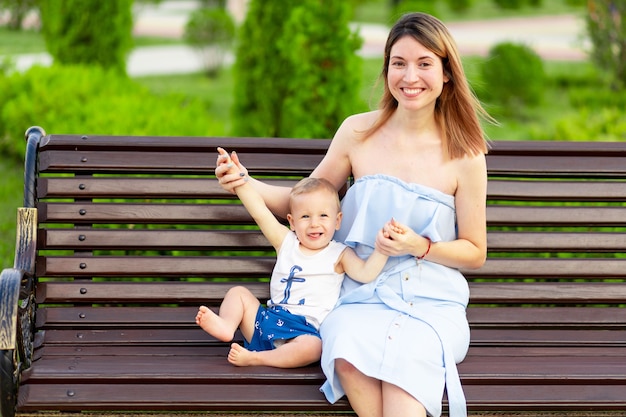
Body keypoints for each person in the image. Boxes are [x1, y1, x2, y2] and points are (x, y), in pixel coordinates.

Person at [214, 12, 493, 417]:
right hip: (357, 296)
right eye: (398, 63)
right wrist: (244, 181)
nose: (409, 76)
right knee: (346, 355)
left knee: (402, 389)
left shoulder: (466, 154)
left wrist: (419, 245)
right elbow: (303, 201)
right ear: (386, 70)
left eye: (424, 63)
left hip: (430, 301)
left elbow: (475, 251)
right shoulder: (357, 133)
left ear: (447, 72)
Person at [196, 147, 389, 368]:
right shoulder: (286, 243)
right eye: (305, 216)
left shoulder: (339, 254)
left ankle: (255, 358)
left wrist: (382, 250)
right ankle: (227, 327)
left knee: (314, 347)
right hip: (266, 323)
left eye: (323, 216)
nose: (314, 223)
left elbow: (366, 273)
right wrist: (237, 176)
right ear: (292, 221)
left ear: (337, 221)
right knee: (238, 293)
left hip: (302, 332)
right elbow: (259, 212)